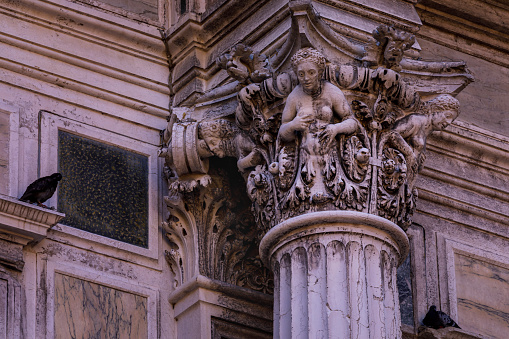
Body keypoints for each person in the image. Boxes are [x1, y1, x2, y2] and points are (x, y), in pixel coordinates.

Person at [277, 48, 359, 202]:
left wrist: (336, 128)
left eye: (311, 72)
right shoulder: (294, 97)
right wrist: (293, 125)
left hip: (331, 157)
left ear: (320, 72)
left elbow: (353, 123)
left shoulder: (332, 92)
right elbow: (282, 133)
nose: (306, 78)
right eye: (301, 74)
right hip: (305, 159)